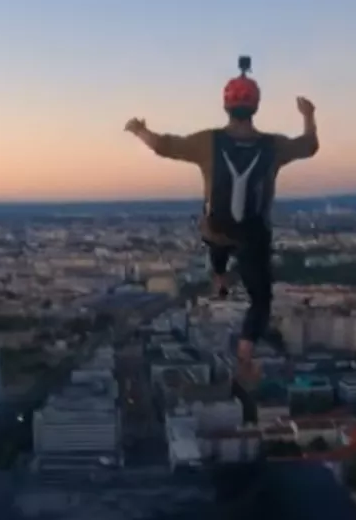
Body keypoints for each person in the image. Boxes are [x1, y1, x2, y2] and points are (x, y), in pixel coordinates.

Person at [124, 60, 319, 403]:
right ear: (255, 107)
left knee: (214, 231)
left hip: (216, 230)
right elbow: (309, 145)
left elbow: (163, 145)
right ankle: (244, 355)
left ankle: (218, 276)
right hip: (254, 234)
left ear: (226, 105)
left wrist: (139, 129)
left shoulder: (208, 142)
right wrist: (307, 113)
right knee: (260, 300)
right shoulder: (273, 146)